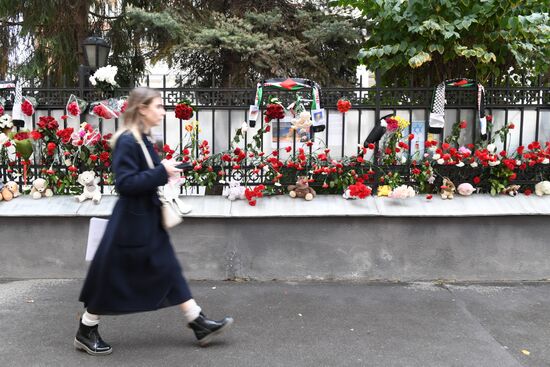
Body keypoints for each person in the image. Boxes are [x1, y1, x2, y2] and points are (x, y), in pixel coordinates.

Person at [75, 87, 233, 356]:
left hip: (146, 219)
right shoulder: (127, 140)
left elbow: (146, 175)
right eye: (158, 106)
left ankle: (198, 321)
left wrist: (167, 170)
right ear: (142, 109)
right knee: (112, 278)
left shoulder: (142, 139)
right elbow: (125, 184)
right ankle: (86, 329)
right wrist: (162, 171)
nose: (163, 111)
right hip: (130, 225)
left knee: (168, 267)